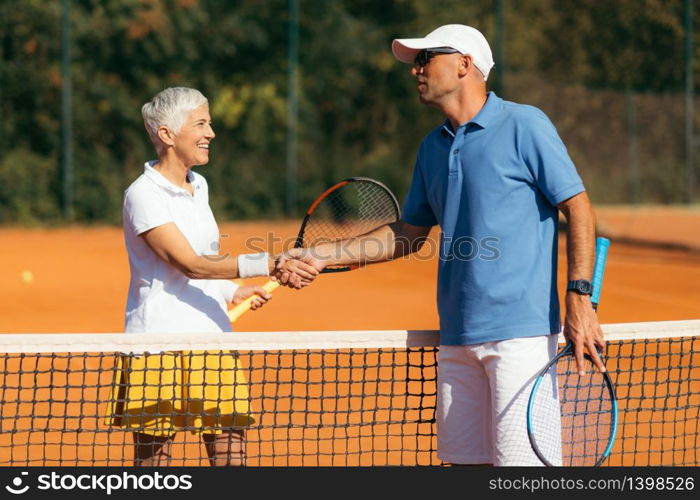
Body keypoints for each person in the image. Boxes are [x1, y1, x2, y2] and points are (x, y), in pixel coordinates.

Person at [285, 24, 604, 466]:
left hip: (520, 336)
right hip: (456, 336)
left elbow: (579, 207)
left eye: (425, 58)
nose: (415, 69)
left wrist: (579, 295)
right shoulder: (431, 148)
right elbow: (408, 234)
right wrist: (319, 255)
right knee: (465, 469)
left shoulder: (524, 124)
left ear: (464, 65)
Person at [106, 86, 318, 466]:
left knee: (230, 455)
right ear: (168, 135)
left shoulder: (199, 185)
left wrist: (230, 291)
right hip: (158, 344)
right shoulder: (142, 195)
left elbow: (206, 258)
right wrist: (270, 263)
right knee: (154, 465)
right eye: (201, 123)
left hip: (212, 337)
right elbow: (187, 263)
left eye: (210, 123)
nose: (211, 133)